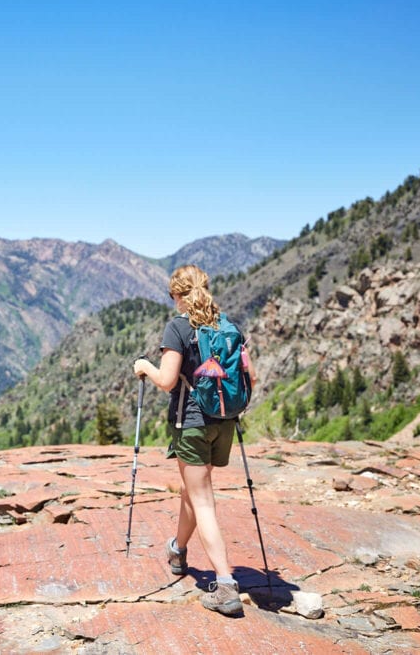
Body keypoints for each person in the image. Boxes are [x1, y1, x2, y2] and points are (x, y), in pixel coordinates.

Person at [132, 264, 255, 616]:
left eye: (172, 295)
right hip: (225, 422)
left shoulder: (179, 327)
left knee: (203, 501)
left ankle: (225, 584)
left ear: (178, 294)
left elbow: (169, 381)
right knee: (192, 490)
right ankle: (178, 550)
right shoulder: (227, 326)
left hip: (192, 423)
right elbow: (252, 377)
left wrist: (144, 367)